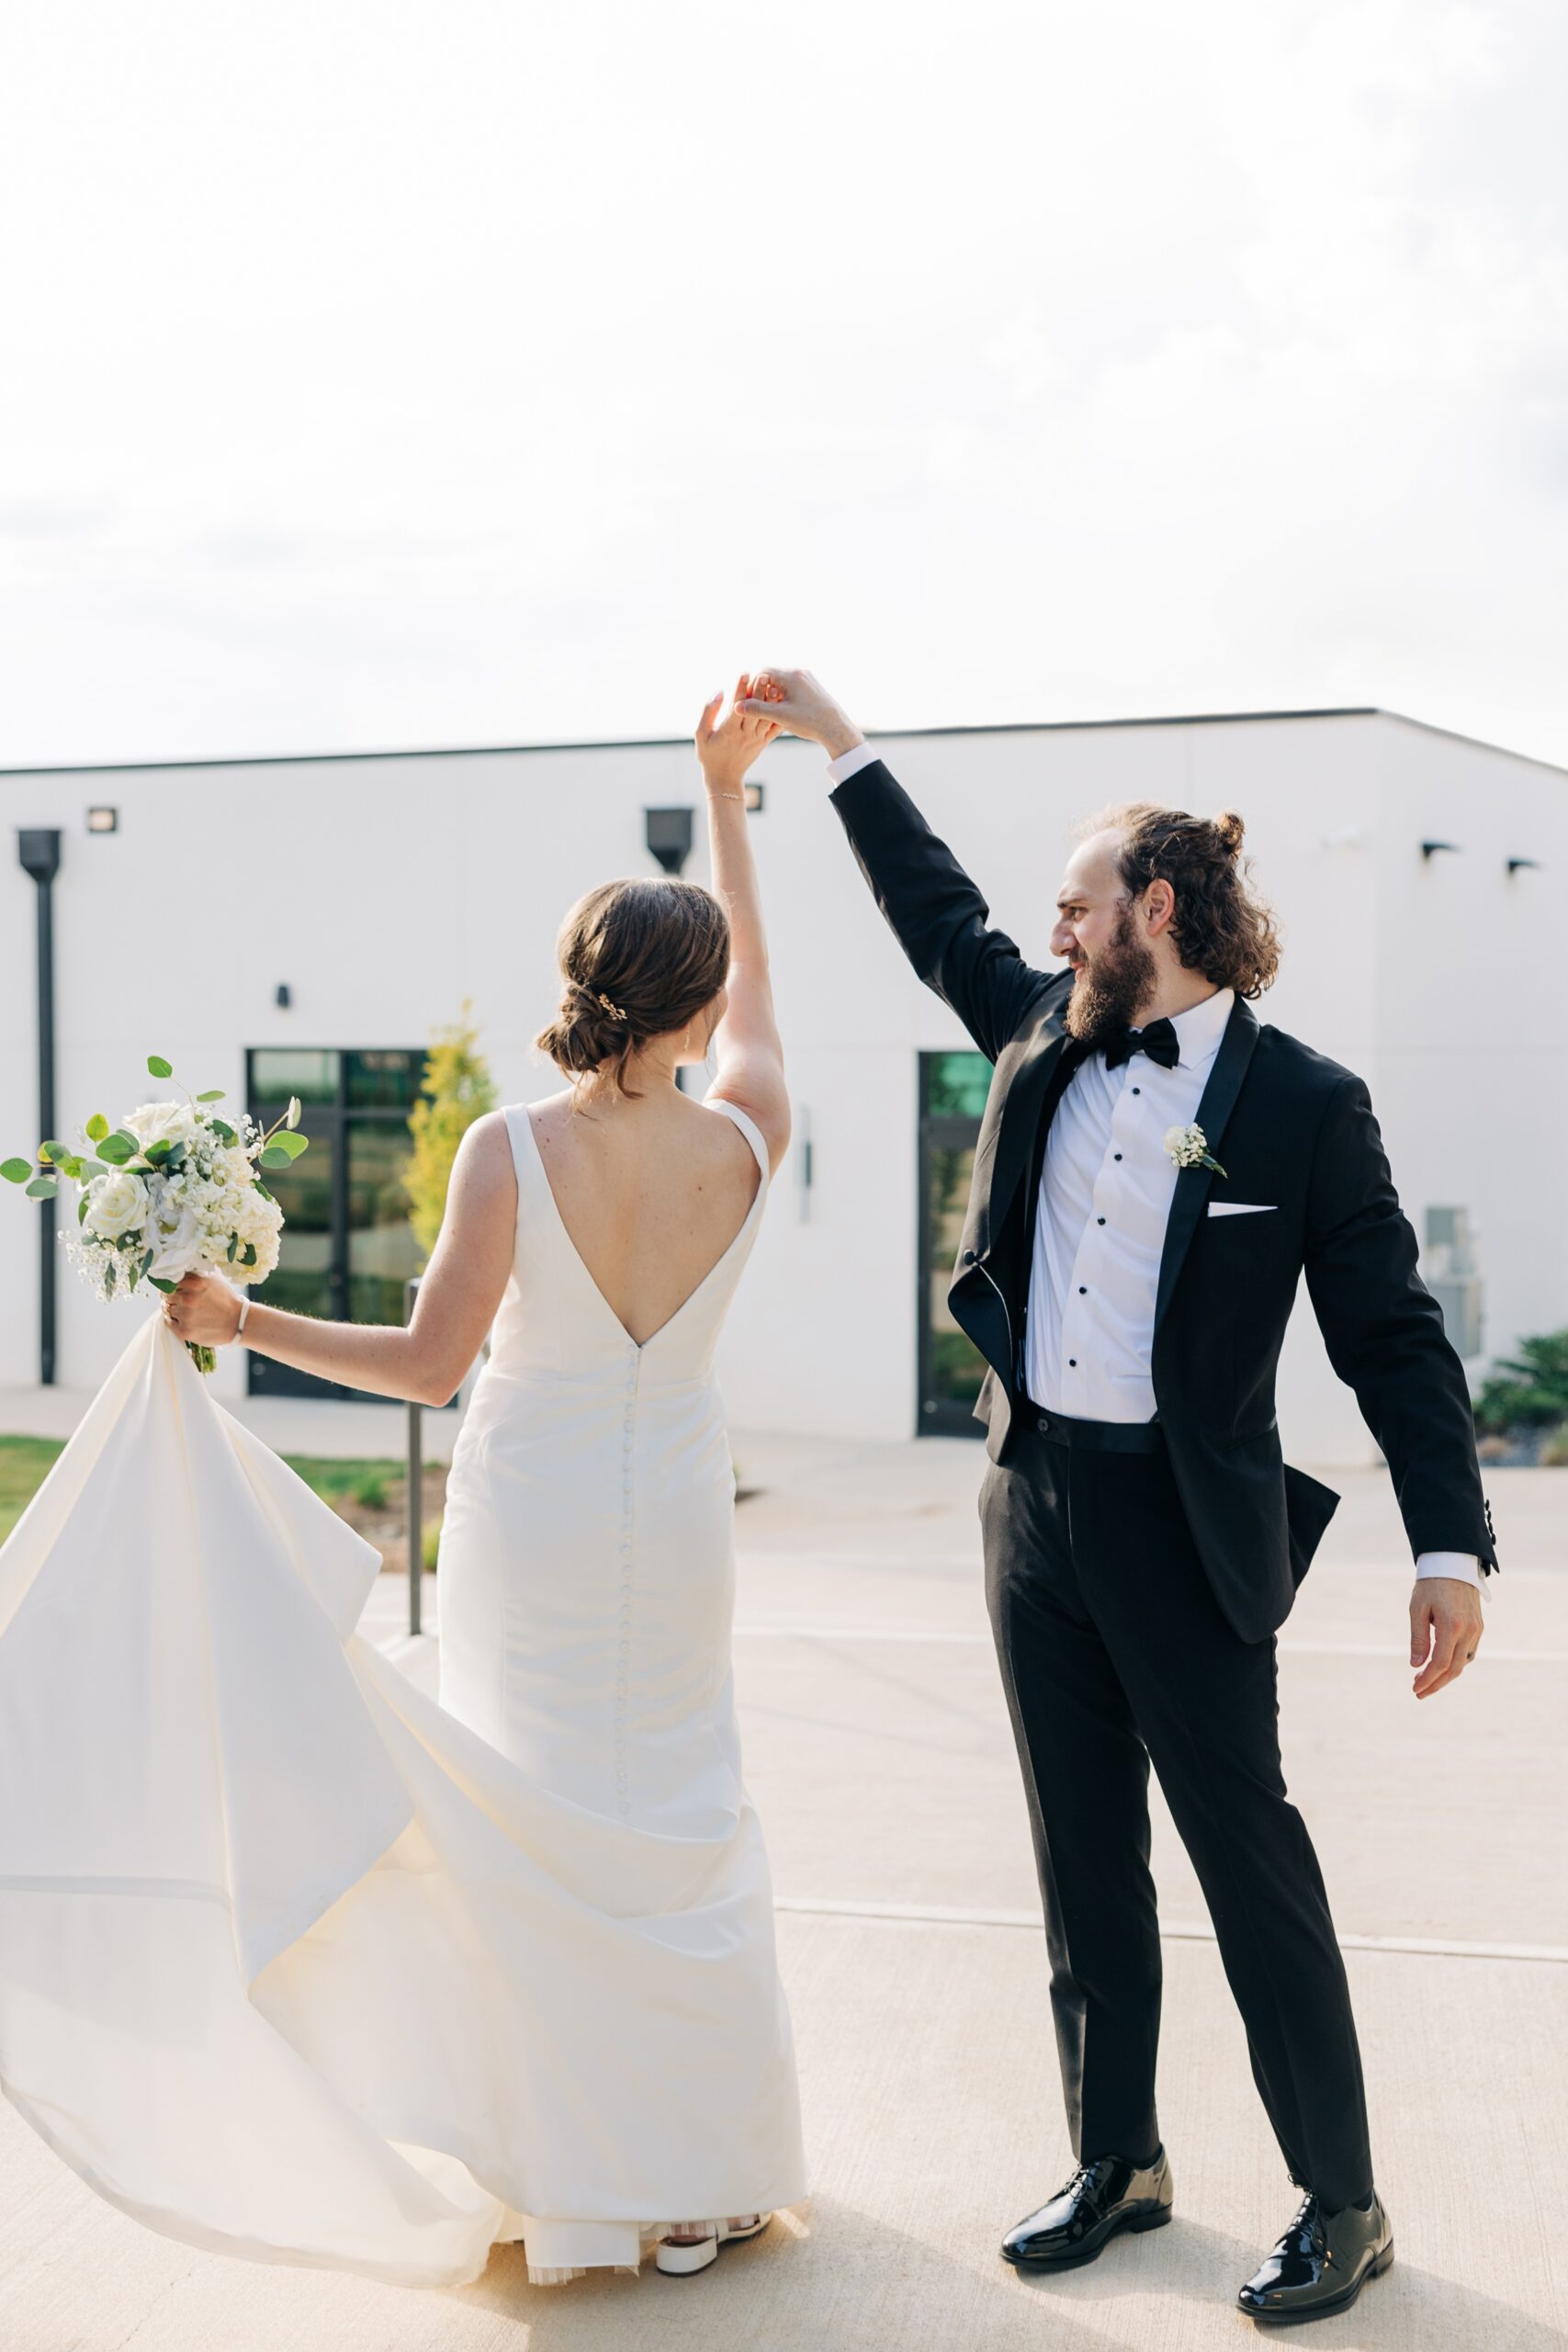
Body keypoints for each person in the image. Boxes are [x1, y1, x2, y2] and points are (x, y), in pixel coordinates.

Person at [0, 683, 805, 2290]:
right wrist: (729, 799)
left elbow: (432, 1372)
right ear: (697, 1009)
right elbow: (767, 999)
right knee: (680, 1814)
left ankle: (577, 2170)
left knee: (535, 1813)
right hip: (673, 1509)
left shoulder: (509, 1146)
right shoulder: (750, 1133)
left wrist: (241, 1320)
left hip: (541, 1519)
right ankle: (698, 2182)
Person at [739, 666, 1495, 2327]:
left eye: (1075, 907)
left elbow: (1390, 1330)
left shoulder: (1303, 1108)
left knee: (1249, 1863)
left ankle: (1343, 2201)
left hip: (1186, 1526)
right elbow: (931, 908)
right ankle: (1120, 2158)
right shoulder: (1037, 1032)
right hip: (1036, 1513)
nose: (1052, 930)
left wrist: (1448, 1543)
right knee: (1082, 1857)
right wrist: (838, 746)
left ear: (1154, 909)